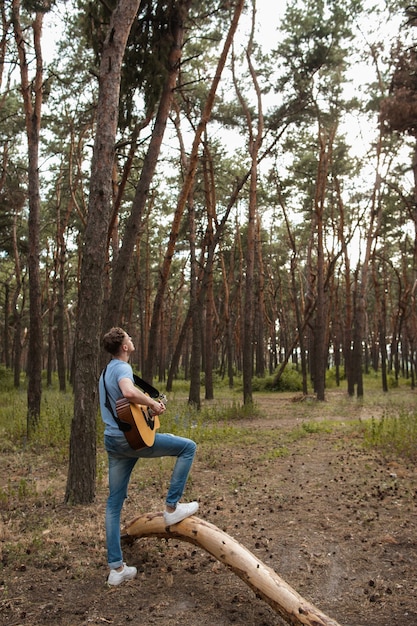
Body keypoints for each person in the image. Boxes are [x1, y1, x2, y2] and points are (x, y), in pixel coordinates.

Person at [98, 327, 198, 586]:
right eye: (129, 337)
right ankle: (172, 508)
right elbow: (129, 392)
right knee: (188, 447)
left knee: (113, 504)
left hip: (114, 441)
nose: (132, 339)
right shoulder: (122, 369)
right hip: (130, 442)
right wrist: (152, 404)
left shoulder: (105, 371)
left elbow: (124, 407)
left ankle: (116, 569)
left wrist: (147, 413)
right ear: (124, 347)